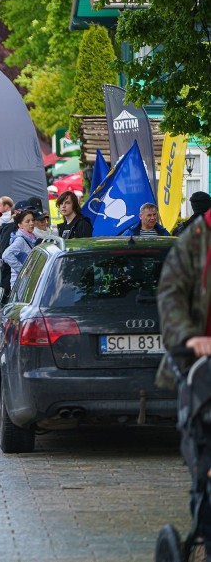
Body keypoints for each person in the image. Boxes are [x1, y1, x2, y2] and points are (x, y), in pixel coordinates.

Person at [157, 202, 211, 541]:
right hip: (202, 367)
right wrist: (191, 338)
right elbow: (170, 295)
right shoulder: (194, 240)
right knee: (204, 453)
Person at [2, 209, 37, 288]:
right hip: (19, 284)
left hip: (27, 282)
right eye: (27, 221)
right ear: (20, 225)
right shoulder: (20, 240)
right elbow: (6, 255)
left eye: (33, 220)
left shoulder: (31, 238)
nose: (31, 223)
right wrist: (22, 269)